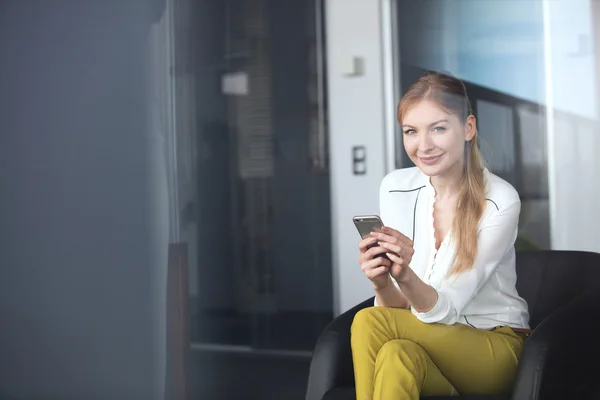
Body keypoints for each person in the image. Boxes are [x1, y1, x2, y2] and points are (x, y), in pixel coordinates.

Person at [351, 71, 530, 400]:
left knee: (368, 322)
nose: (423, 146)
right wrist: (382, 281)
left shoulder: (500, 200)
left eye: (438, 128)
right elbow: (401, 309)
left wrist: (404, 274)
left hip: (493, 349)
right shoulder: (395, 188)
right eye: (411, 132)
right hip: (428, 343)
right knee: (394, 357)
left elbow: (445, 308)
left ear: (468, 128)